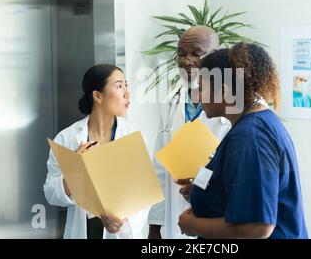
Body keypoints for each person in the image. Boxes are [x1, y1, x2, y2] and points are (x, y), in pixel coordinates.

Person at [178, 43, 308, 239]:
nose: (197, 95)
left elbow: (256, 227)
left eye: (202, 87)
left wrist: (193, 226)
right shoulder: (252, 125)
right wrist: (205, 192)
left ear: (223, 90)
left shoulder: (250, 137)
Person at [44, 64, 147, 239]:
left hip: (120, 233)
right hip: (82, 230)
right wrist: (76, 170)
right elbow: (51, 193)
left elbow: (143, 195)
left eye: (126, 85)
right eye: (119, 86)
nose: (127, 94)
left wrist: (123, 223)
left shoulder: (132, 137)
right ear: (98, 96)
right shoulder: (67, 138)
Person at [148, 26, 231, 239]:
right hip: (174, 220)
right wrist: (155, 225)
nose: (187, 61)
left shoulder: (232, 106)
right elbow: (160, 168)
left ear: (216, 55)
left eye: (196, 53)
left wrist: (200, 187)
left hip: (215, 220)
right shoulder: (170, 101)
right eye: (182, 54)